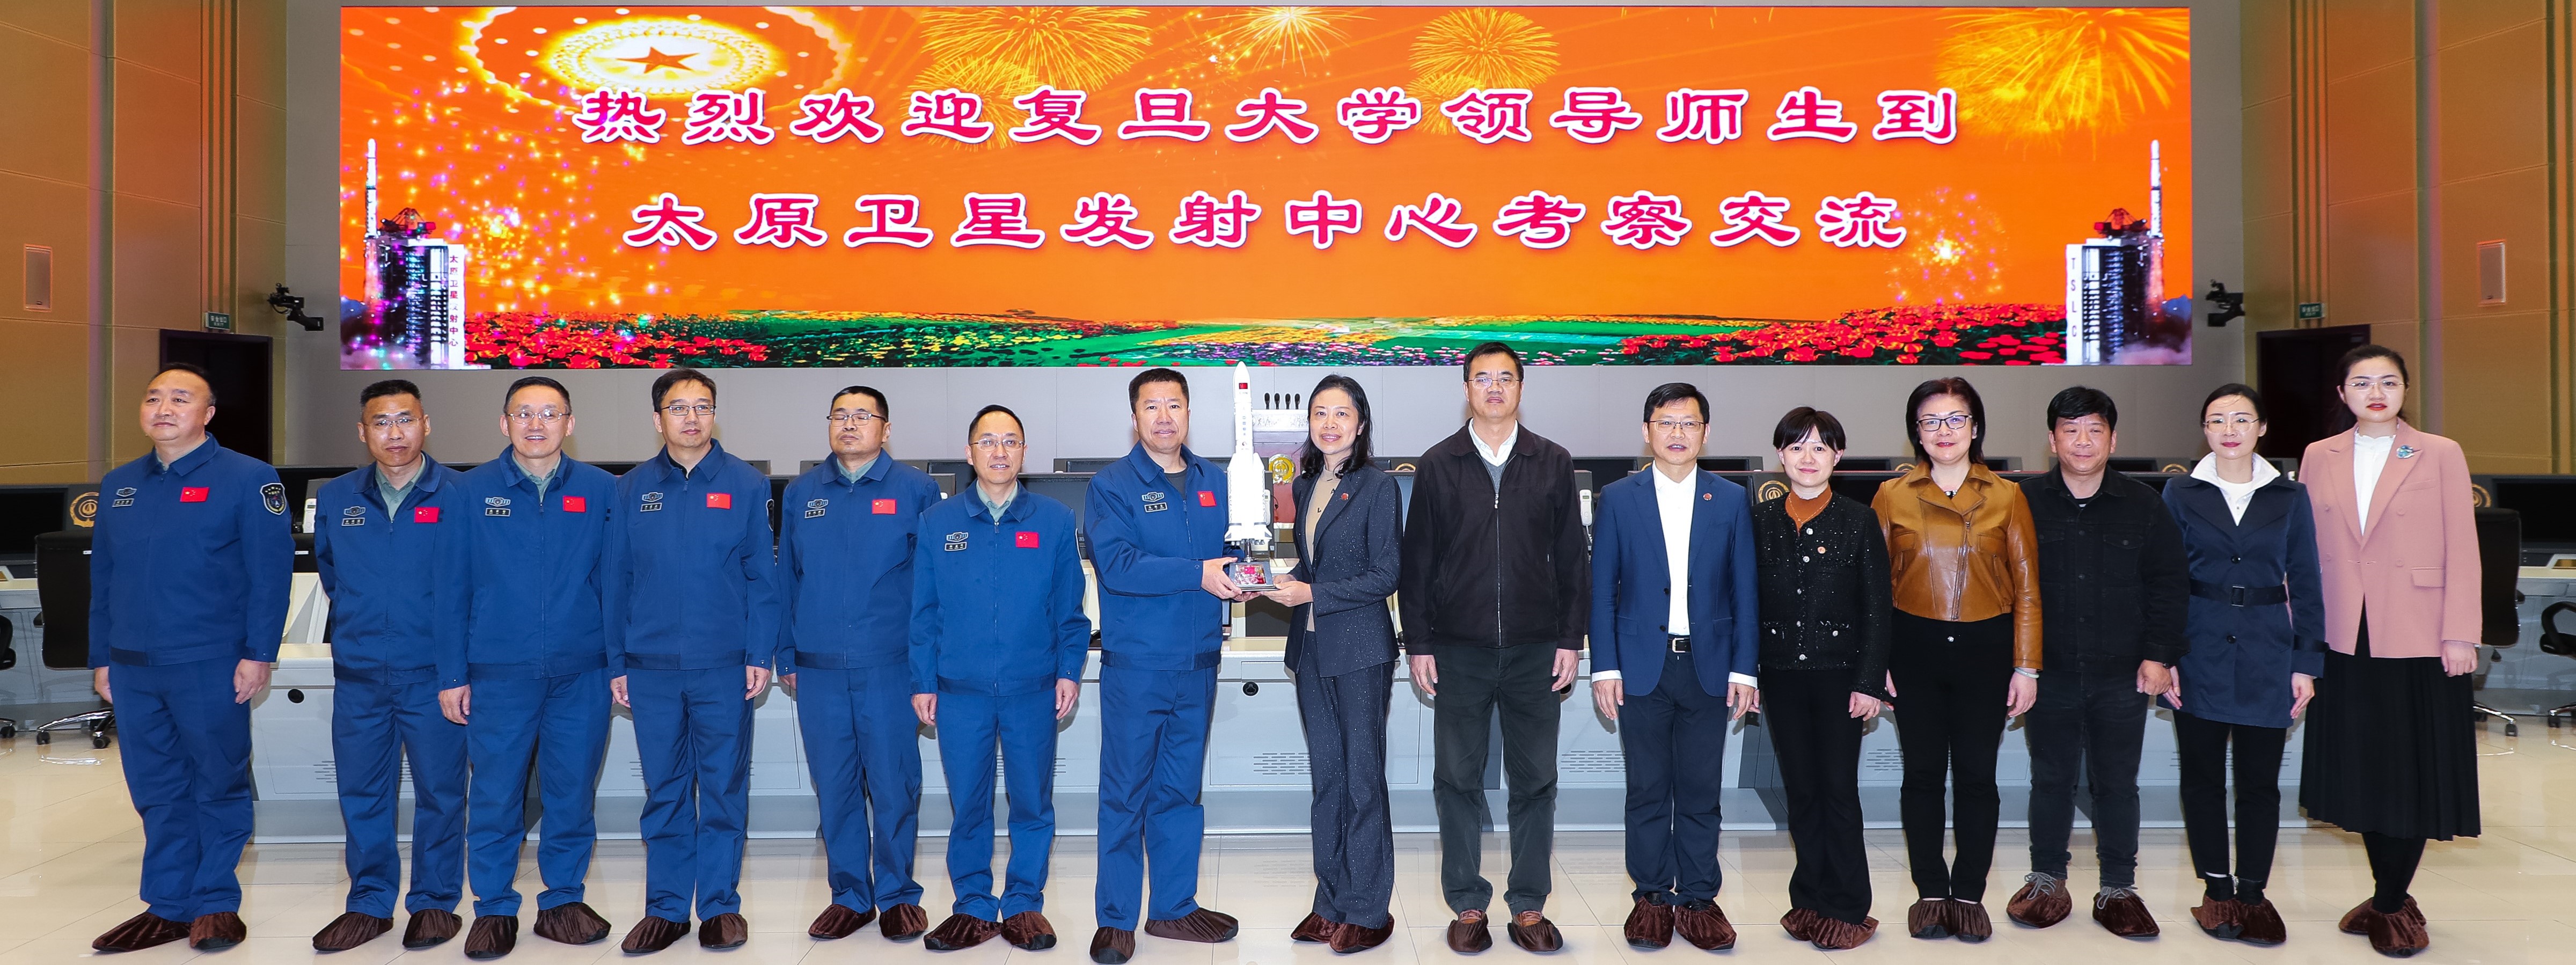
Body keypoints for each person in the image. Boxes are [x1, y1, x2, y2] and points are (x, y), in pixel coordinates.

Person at [86, 363, 293, 954]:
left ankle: (215, 904)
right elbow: (104, 577)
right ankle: (169, 905)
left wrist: (259, 654)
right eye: (154, 398)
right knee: (156, 788)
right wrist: (102, 656)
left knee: (217, 781)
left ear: (208, 414)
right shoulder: (120, 484)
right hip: (132, 665)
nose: (164, 409)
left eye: (181, 399)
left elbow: (270, 574)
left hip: (210, 660)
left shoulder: (248, 478)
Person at [1397, 342, 1589, 955]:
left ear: (1521, 389)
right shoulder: (1439, 463)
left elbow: (1573, 560)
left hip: (1537, 649)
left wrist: (1571, 638)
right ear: (1467, 389)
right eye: (1483, 378)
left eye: (1506, 378)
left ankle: (1529, 904)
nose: (1495, 388)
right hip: (1458, 650)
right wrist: (1419, 642)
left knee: (1536, 780)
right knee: (1457, 778)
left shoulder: (1552, 461)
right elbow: (1418, 562)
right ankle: (1467, 902)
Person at [2298, 345, 2481, 957]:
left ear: (2405, 389)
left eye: (2388, 382)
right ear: (2342, 393)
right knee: (2365, 770)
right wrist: (2299, 636)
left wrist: (2460, 631)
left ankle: (2389, 901)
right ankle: (2389, 897)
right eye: (2362, 382)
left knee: (2411, 772)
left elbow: (2463, 546)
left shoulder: (2440, 452)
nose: (2375, 393)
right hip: (2344, 631)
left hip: (2419, 632)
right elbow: (2304, 551)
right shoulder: (2319, 455)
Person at [605, 367, 782, 954]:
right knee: (665, 789)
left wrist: (759, 652)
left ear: (714, 415)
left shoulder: (747, 484)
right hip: (649, 666)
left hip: (723, 665)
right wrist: (616, 662)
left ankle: (720, 906)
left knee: (724, 787)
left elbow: (762, 578)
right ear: (658, 419)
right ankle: (665, 908)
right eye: (678, 407)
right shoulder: (630, 489)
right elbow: (616, 580)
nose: (691, 417)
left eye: (702, 406)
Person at [448, 376, 623, 960]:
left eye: (550, 413)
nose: (536, 424)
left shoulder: (602, 489)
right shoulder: (469, 491)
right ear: (505, 423)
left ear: (570, 423)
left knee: (571, 792)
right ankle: (494, 907)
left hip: (582, 671)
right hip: (497, 671)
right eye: (524, 413)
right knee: (495, 794)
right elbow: (450, 588)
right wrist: (452, 673)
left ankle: (564, 900)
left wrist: (617, 664)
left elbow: (616, 583)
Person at [2007, 388, 2190, 938]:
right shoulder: (2023, 502)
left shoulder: (2144, 503)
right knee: (2050, 778)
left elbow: (2168, 585)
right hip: (2050, 670)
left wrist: (2160, 656)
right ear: (2052, 439)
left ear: (2114, 439)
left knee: (2117, 782)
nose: (2082, 441)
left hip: (2122, 670)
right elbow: (2006, 586)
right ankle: (2047, 879)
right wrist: (2017, 664)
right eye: (2070, 430)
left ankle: (2118, 887)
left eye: (2094, 430)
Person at [911, 405, 1089, 953]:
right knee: (969, 804)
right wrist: (923, 680)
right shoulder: (938, 522)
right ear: (970, 453)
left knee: (1032, 802)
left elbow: (1071, 611)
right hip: (959, 691)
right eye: (988, 441)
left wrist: (1069, 671)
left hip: (1032, 688)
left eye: (1011, 441)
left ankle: (1024, 903)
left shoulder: (1054, 520)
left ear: (1024, 452)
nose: (999, 451)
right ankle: (972, 905)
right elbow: (923, 612)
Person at [1081, 369, 1245, 964]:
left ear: (1189, 413)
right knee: (1125, 793)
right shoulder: (1111, 486)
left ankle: (1173, 907)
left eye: (1174, 404)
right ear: (1135, 418)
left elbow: (1234, 552)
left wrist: (1243, 574)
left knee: (1180, 791)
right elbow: (1119, 565)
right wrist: (1199, 573)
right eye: (1152, 406)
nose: (1164, 417)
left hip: (1199, 663)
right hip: (1138, 667)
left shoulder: (1216, 481)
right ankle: (1116, 918)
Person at [1587, 383, 1758, 953]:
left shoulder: (1730, 499)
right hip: (1641, 666)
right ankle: (1653, 897)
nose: (1678, 433)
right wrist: (1604, 667)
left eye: (1689, 423)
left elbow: (1745, 591)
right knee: (1647, 789)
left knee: (1702, 790)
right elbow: (1603, 590)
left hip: (1710, 666)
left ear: (1707, 432)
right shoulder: (1619, 497)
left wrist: (1745, 670)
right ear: (1647, 431)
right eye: (1666, 422)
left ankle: (1700, 899)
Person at [1871, 377, 2040, 944]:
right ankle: (1929, 892)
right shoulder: (1892, 495)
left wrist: (2027, 666)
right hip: (1912, 649)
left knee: (1976, 777)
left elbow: (2028, 589)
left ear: (1975, 427)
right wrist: (1876, 661)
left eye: (1955, 419)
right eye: (1930, 421)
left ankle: (1968, 893)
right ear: (1916, 432)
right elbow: (1873, 589)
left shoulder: (2008, 495)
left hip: (1985, 650)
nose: (1943, 431)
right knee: (1921, 775)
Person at [778, 386, 943, 946]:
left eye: (863, 416)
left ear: (886, 429)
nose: (850, 425)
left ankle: (897, 895)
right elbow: (786, 578)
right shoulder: (803, 492)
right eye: (840, 416)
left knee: (894, 783)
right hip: (818, 667)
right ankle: (850, 895)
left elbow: (931, 586)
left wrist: (927, 665)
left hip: (890, 665)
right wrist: (785, 652)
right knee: (836, 784)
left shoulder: (917, 490)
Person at [308, 379, 468, 953]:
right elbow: (331, 574)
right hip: (360, 675)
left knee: (441, 793)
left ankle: (435, 901)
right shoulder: (337, 498)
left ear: (427, 424)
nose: (395, 433)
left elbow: (473, 585)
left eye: (406, 420)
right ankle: (370, 903)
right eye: (381, 422)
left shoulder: (461, 494)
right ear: (363, 431)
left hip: (434, 676)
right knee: (362, 793)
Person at [2161, 384, 2322, 947]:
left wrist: (2306, 663)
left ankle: (2253, 892)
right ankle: (2216, 888)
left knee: (2259, 784)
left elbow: (2307, 580)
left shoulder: (2291, 496)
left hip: (2268, 651)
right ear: (2204, 430)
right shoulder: (2180, 491)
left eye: (2242, 419)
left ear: (2263, 427)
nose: (2230, 430)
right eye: (2217, 420)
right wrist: (2165, 656)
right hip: (2197, 648)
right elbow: (2165, 579)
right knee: (2202, 779)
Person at [1265, 375, 1403, 955]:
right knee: (1327, 780)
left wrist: (1312, 594)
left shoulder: (1378, 486)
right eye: (1320, 413)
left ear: (1361, 424)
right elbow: (1316, 563)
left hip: (1362, 651)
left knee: (1363, 780)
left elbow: (1386, 574)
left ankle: (1368, 909)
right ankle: (1330, 902)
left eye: (1341, 413)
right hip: (1312, 650)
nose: (1329, 424)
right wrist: (1279, 582)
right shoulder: (1305, 483)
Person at [1753, 407, 1890, 951]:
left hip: (1840, 678)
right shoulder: (1759, 520)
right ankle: (1809, 896)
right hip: (1780, 675)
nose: (1807, 458)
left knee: (1838, 790)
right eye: (1797, 447)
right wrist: (1748, 675)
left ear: (1838, 455)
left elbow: (1878, 608)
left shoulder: (1859, 520)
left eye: (1819, 447)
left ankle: (1847, 905)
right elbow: (1746, 603)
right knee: (1801, 791)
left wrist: (1870, 681)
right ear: (1780, 455)